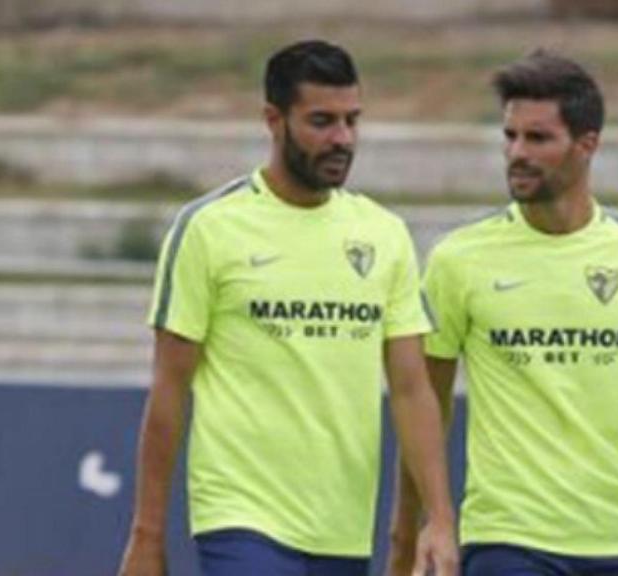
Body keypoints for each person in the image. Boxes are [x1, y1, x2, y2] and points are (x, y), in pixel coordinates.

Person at [117, 40, 457, 576]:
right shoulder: (210, 228)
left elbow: (413, 391)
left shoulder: (384, 235)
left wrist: (438, 521)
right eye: (322, 121)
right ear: (273, 120)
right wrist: (147, 535)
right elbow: (168, 390)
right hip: (240, 516)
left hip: (342, 525)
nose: (342, 139)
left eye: (352, 121)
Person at [388, 50, 618, 576]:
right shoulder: (459, 259)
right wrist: (423, 526)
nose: (516, 153)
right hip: (506, 537)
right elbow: (426, 401)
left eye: (538, 138)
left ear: (587, 144)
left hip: (612, 539)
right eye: (510, 137)